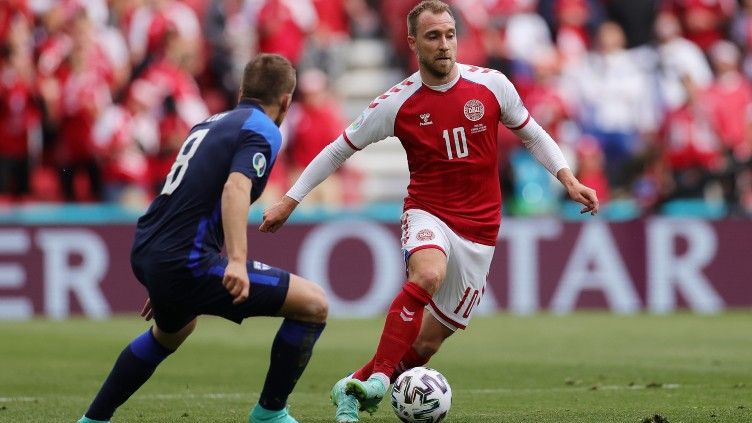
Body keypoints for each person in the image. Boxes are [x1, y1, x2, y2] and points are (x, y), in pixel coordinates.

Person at [260, 1, 599, 422]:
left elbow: (532, 134)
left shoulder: (492, 85)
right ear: (412, 42)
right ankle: (381, 380)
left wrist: (569, 179)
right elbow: (337, 150)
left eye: (450, 35)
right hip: (428, 213)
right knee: (428, 274)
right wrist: (289, 200)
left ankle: (354, 386)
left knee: (426, 346)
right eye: (433, 36)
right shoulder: (397, 103)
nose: (444, 44)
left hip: (480, 231)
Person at [77, 54, 328, 423]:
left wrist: (164, 272)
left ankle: (93, 420)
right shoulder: (263, 129)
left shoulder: (208, 123)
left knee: (173, 331)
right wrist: (237, 262)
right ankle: (270, 413)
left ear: (243, 91)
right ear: (287, 101)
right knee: (314, 304)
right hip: (182, 259)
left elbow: (185, 193)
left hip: (150, 246)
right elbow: (235, 188)